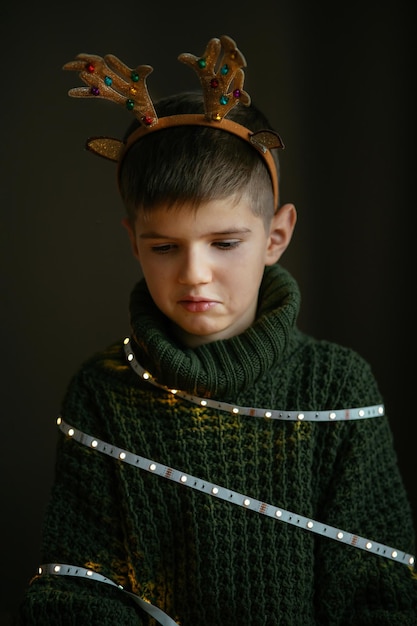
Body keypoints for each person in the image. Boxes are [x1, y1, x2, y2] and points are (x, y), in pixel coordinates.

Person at [18, 35, 417, 625]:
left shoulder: (336, 387)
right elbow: (74, 590)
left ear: (275, 237)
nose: (194, 274)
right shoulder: (102, 393)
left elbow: (382, 593)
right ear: (133, 242)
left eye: (225, 243)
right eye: (164, 247)